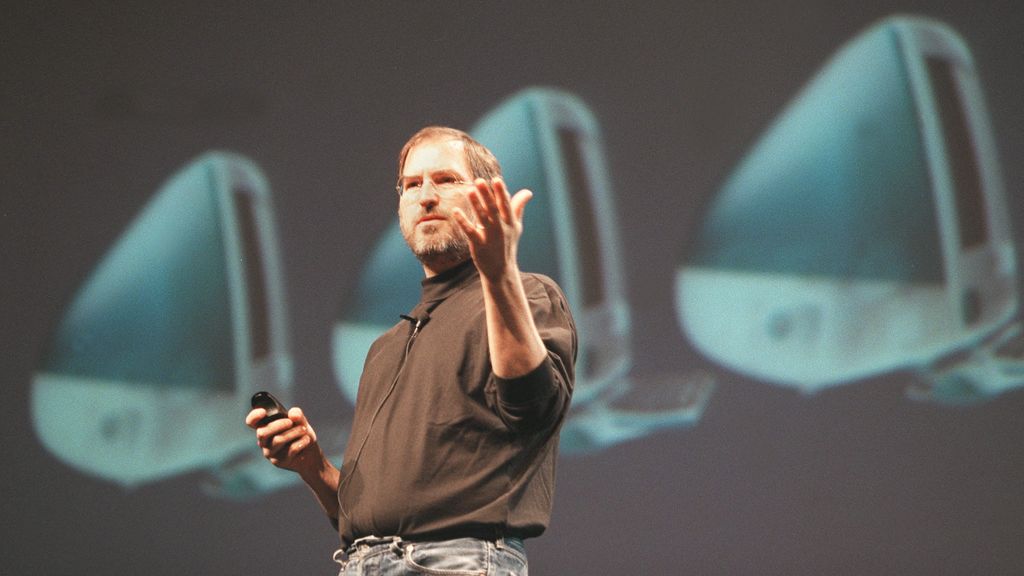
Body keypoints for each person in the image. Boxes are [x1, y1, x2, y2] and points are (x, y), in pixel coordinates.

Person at [246, 126, 577, 575]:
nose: (426, 197)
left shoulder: (527, 295)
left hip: (456, 562)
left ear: (488, 197)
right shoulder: (384, 349)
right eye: (412, 184)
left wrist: (499, 274)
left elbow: (533, 407)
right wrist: (313, 467)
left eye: (446, 180)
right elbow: (361, 517)